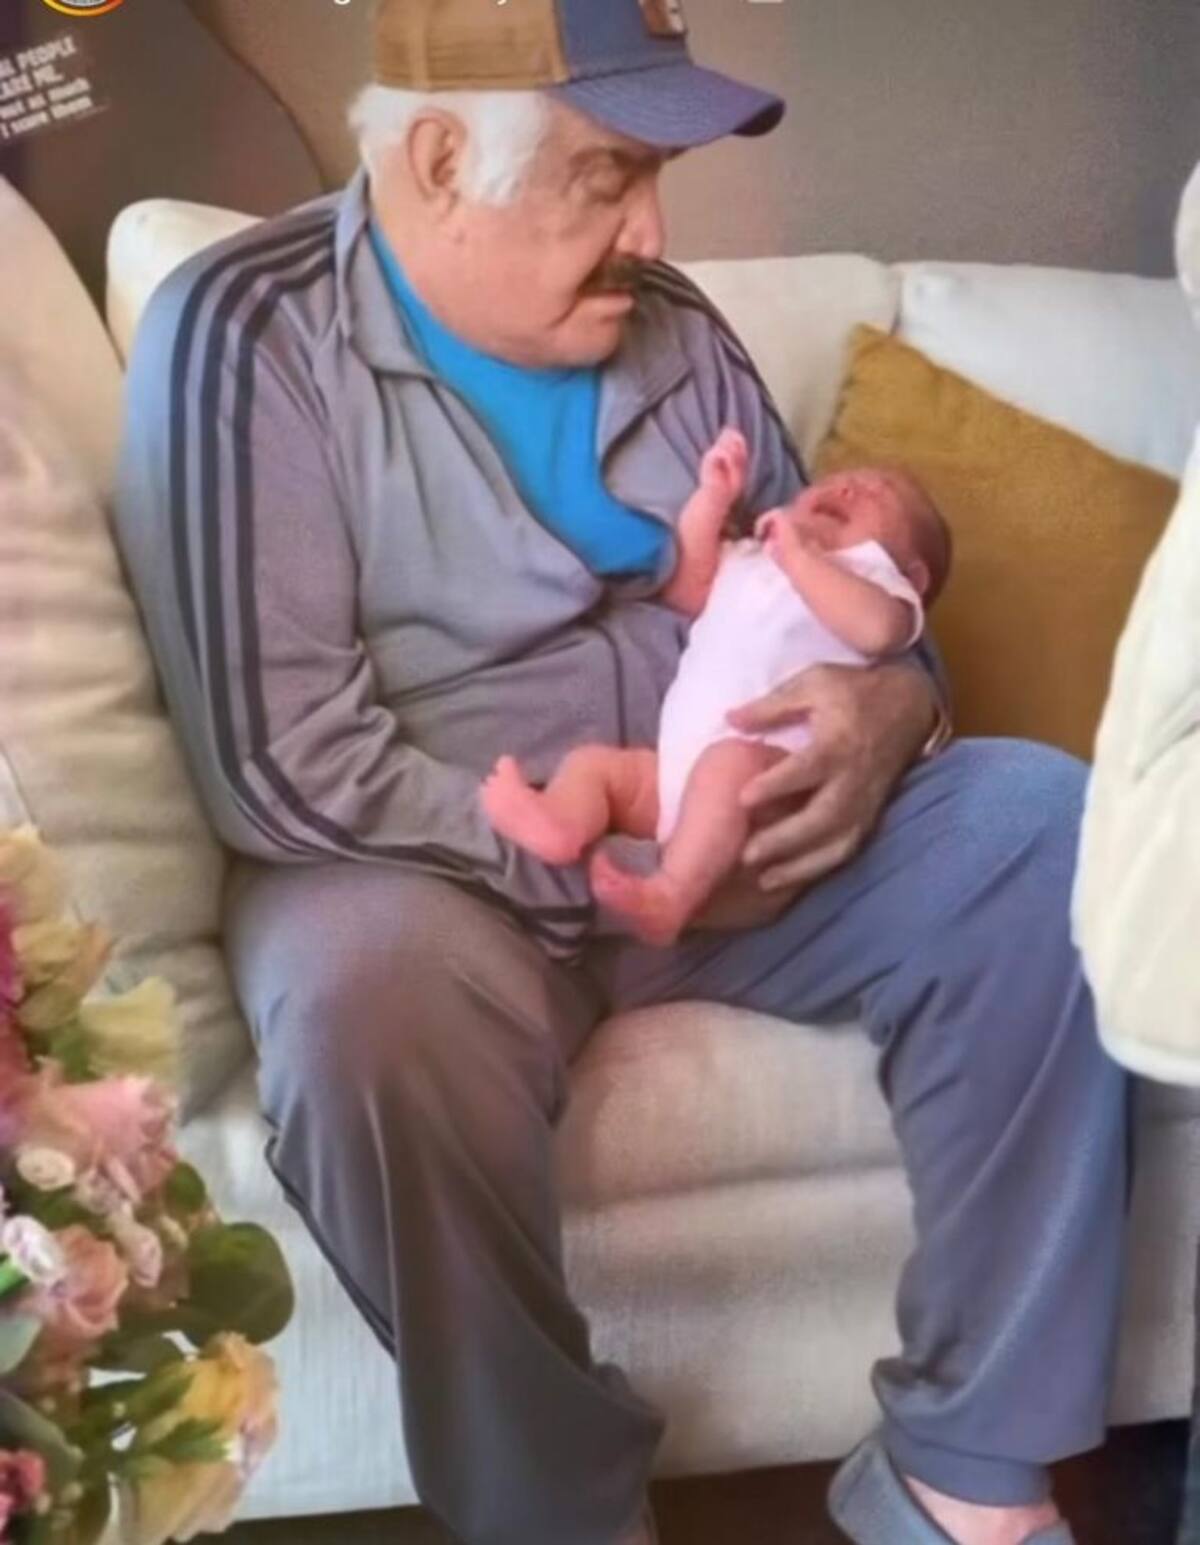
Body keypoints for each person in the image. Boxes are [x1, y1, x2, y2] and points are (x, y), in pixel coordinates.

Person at [114, 1, 1126, 1541]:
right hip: (434, 867)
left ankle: (966, 1472)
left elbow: (842, 604)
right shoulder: (244, 334)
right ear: (440, 159)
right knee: (357, 1010)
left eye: (657, 174)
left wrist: (891, 718)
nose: (655, 228)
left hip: (721, 821)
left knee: (1038, 824)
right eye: (609, 174)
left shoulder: (675, 326)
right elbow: (279, 764)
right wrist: (605, 863)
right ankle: (559, 1512)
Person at [483, 433, 951, 946]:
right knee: (598, 766)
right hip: (679, 774)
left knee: (728, 765)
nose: (847, 488)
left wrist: (799, 555)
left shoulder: (881, 588)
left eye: (879, 493)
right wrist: (712, 500)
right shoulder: (755, 556)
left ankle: (671, 895)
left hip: (767, 773)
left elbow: (876, 631)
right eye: (841, 480)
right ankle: (560, 825)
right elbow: (690, 588)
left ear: (914, 576)